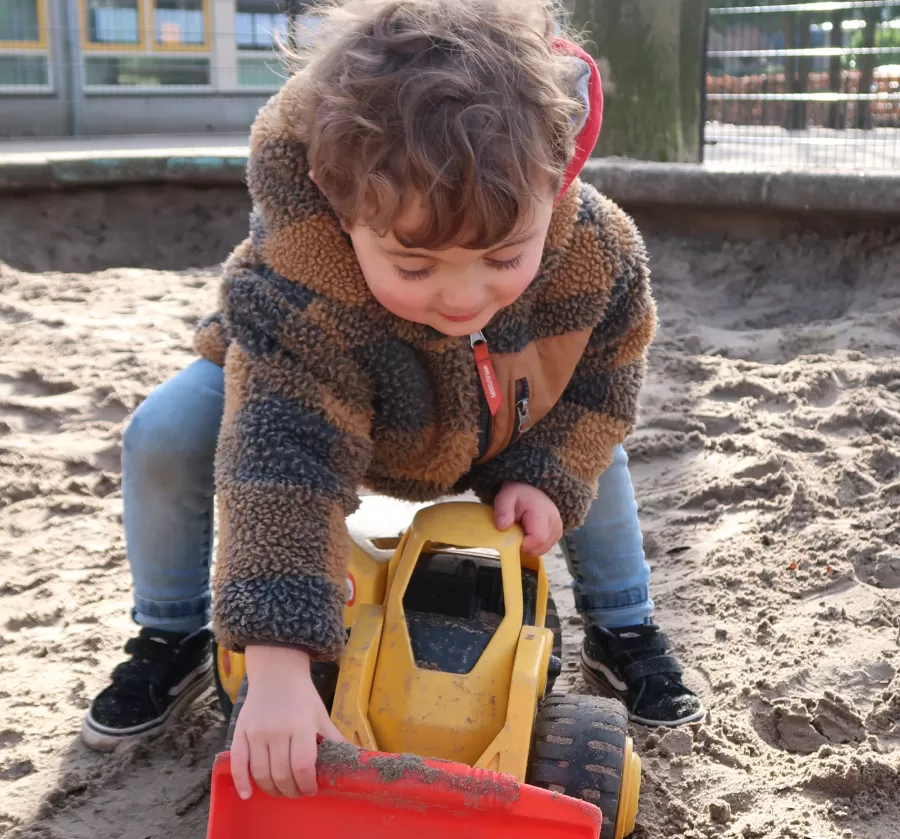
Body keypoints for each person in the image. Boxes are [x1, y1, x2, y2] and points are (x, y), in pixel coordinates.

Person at [81, 0, 704, 796]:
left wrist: (549, 472)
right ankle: (171, 635)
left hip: (500, 406)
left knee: (599, 459)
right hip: (331, 394)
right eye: (414, 266)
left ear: (558, 181)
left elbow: (606, 378)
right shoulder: (304, 285)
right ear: (342, 208)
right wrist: (276, 669)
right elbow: (284, 464)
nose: (462, 295)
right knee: (165, 434)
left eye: (504, 257)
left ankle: (624, 629)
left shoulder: (596, 249)